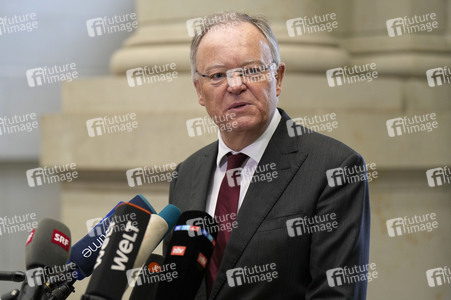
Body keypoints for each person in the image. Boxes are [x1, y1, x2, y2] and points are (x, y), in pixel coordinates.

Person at [167, 11, 370, 300]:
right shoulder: (186, 174)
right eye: (217, 75)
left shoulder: (334, 168)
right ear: (200, 91)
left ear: (278, 77)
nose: (235, 85)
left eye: (251, 70)